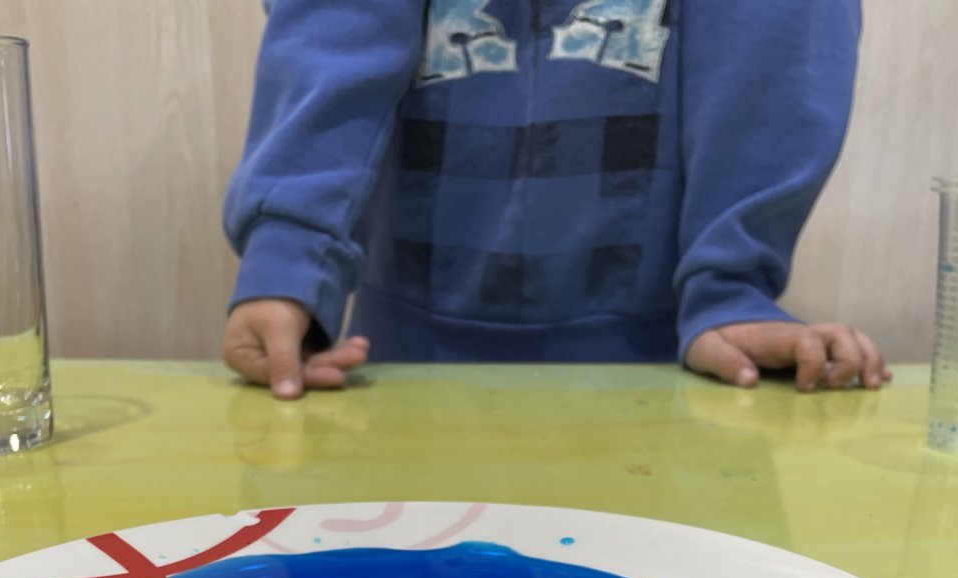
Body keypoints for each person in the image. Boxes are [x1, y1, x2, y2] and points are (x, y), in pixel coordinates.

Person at [221, 1, 889, 399]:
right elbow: (335, 38)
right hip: (398, 372)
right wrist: (291, 262)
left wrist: (730, 291)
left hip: (675, 379)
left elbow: (771, 62)